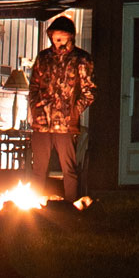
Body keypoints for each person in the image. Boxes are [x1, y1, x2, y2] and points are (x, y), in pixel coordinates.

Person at [27, 16, 94, 203]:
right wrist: (36, 109)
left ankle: (72, 205)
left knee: (69, 168)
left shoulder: (81, 59)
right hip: (42, 123)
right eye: (55, 38)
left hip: (65, 125)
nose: (58, 42)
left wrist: (74, 111)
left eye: (62, 38)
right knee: (38, 168)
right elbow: (33, 86)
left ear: (70, 37)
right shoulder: (44, 58)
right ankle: (33, 205)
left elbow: (89, 91)